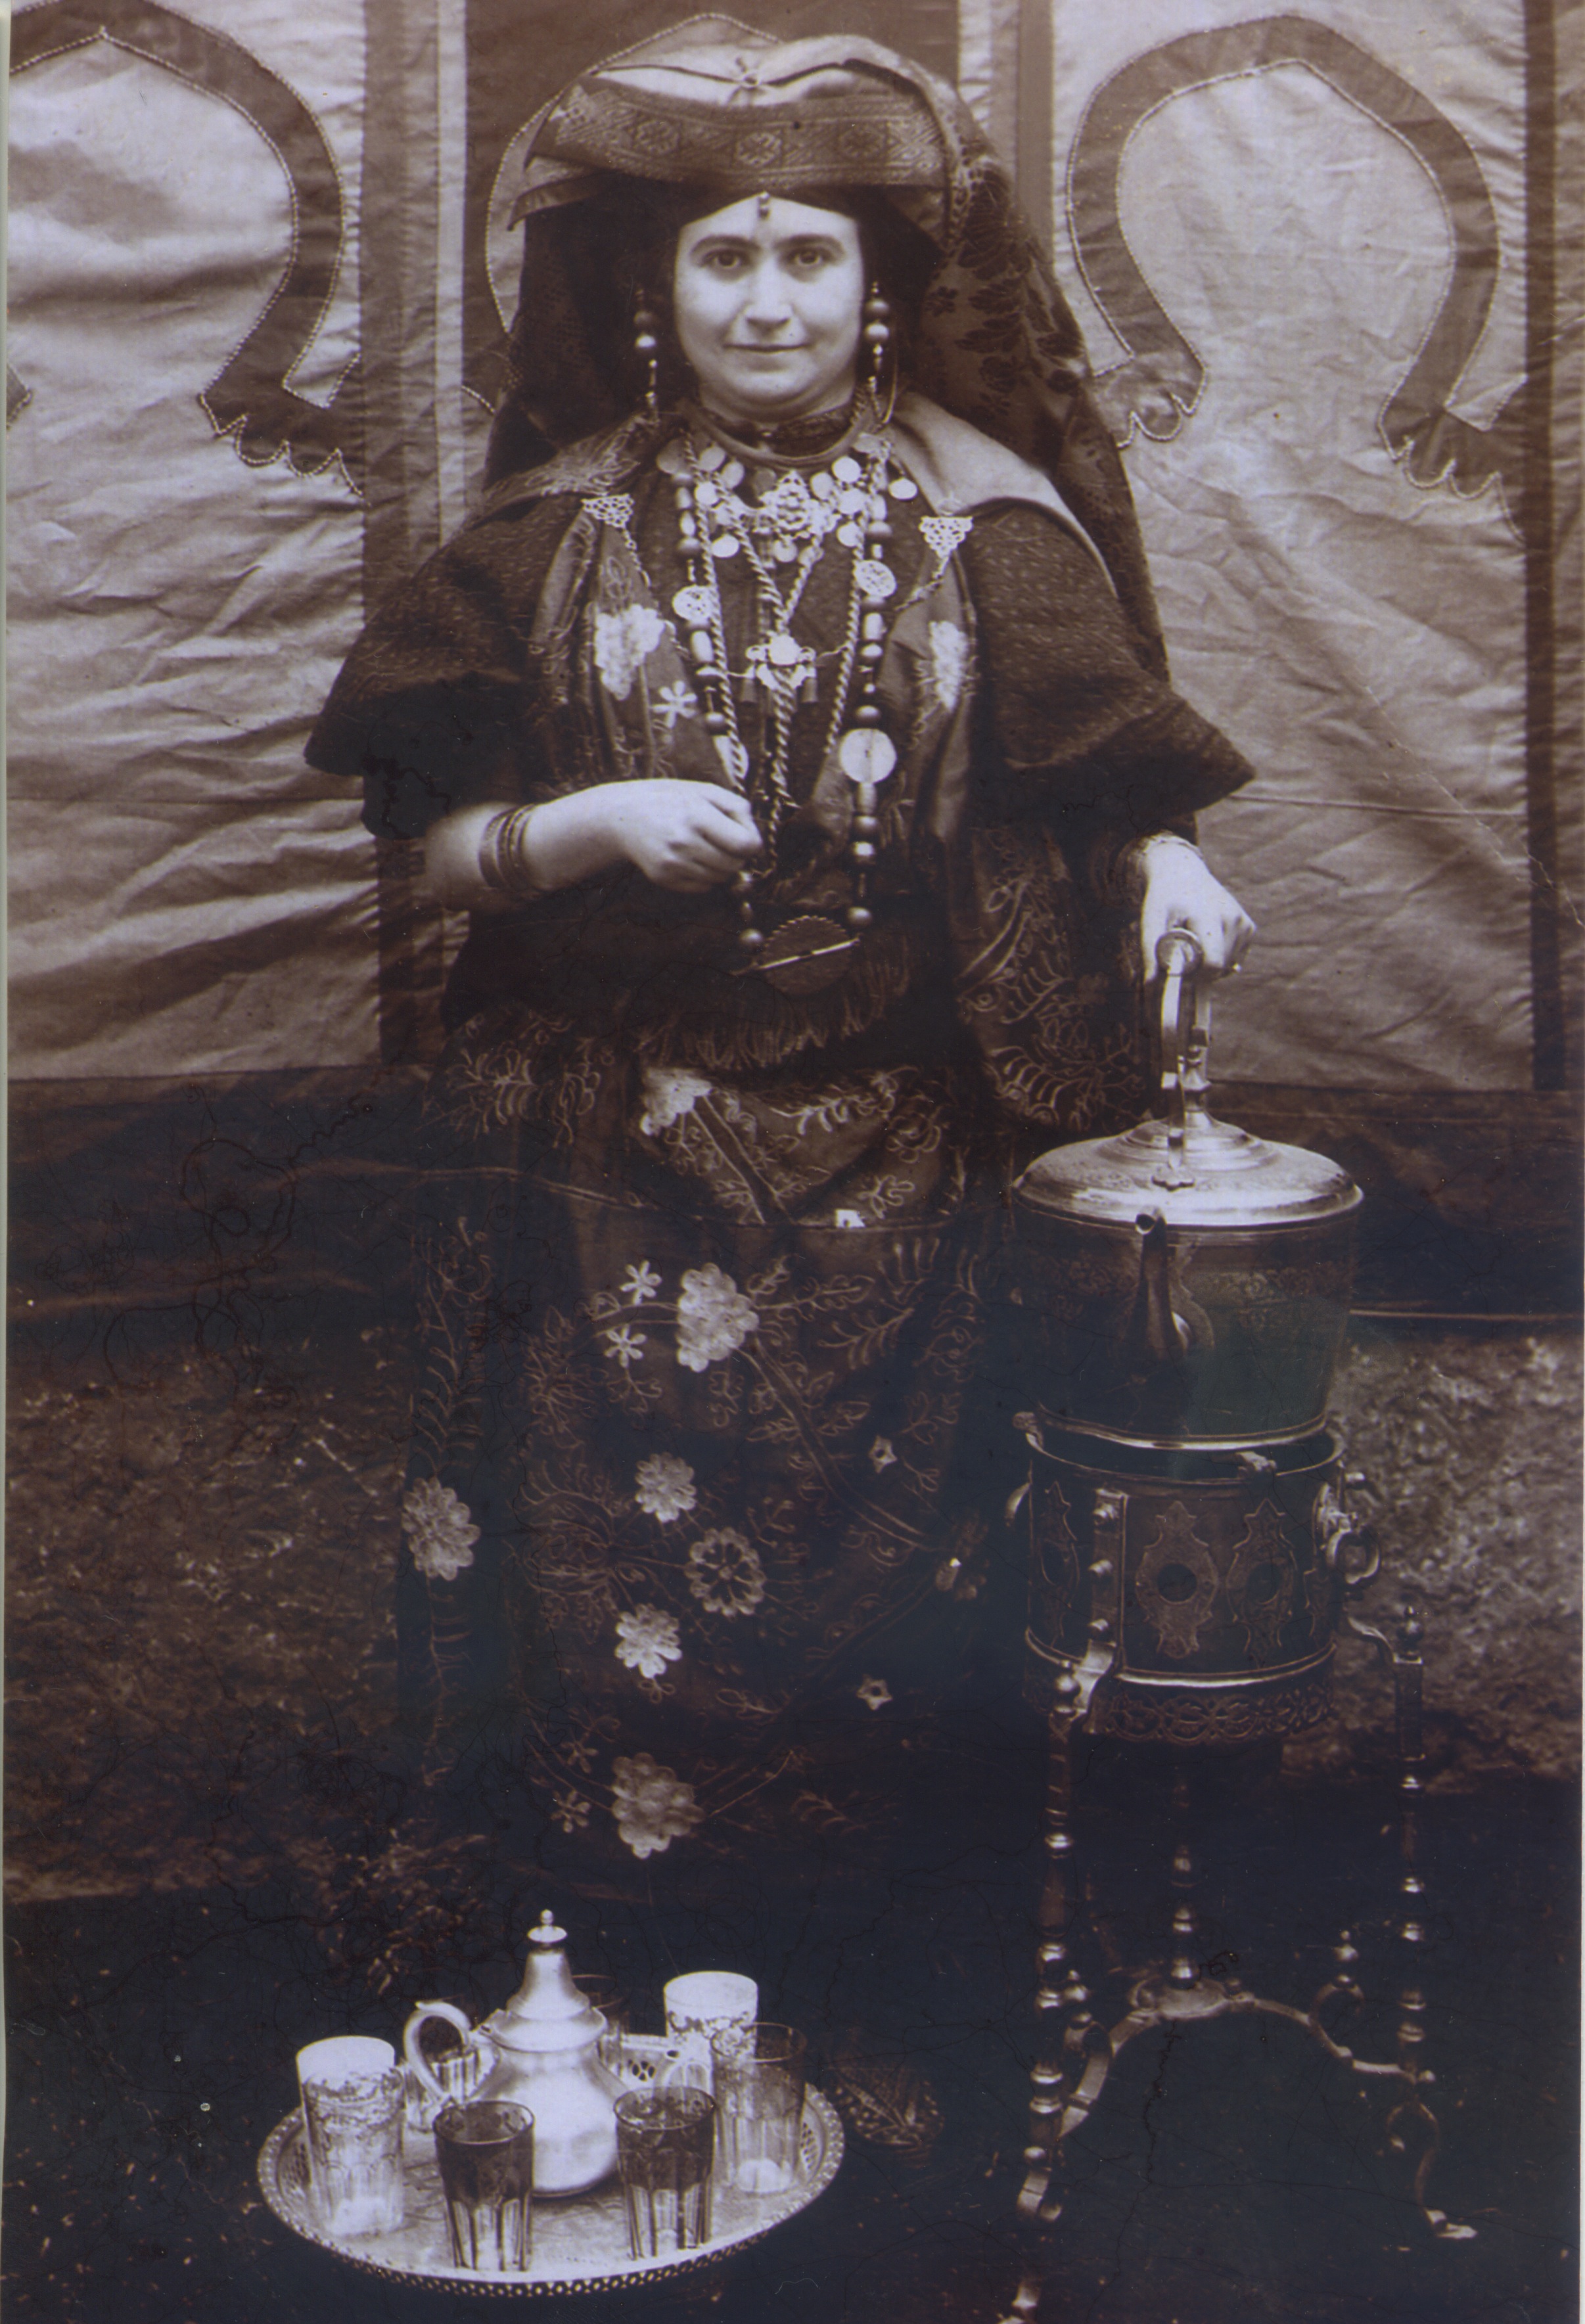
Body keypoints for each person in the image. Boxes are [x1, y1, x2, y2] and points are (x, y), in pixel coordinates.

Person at [306, 22, 1254, 1887]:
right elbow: (420, 847)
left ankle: (859, 1986)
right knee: (610, 1608)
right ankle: (627, 1966)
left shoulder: (987, 513)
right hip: (606, 1165)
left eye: (806, 253)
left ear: (877, 283)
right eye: (722, 254)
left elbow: (1099, 759)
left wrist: (1165, 855)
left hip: (906, 1157)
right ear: (655, 283)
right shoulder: (546, 530)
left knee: (896, 1611)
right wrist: (581, 828)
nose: (765, 299)